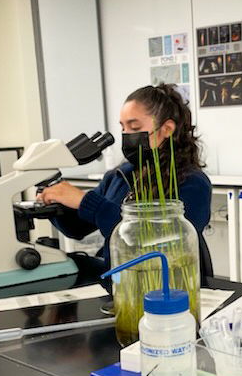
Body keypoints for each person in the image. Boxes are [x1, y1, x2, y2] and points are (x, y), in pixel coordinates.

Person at [40, 83, 212, 280]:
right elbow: (78, 229)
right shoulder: (119, 176)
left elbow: (160, 243)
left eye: (135, 127)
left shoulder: (192, 183)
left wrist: (86, 202)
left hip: (168, 286)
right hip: (122, 284)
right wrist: (54, 205)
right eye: (122, 127)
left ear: (167, 129)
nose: (126, 134)